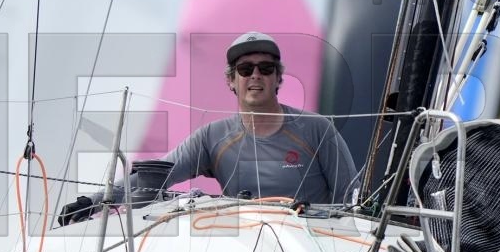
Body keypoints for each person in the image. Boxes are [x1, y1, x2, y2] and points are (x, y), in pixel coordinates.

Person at [62, 33, 357, 222]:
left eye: (266, 69)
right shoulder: (212, 137)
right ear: (231, 80)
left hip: (311, 243)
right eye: (245, 69)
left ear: (278, 78)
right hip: (247, 248)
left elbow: (351, 200)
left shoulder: (317, 129)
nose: (256, 75)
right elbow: (153, 177)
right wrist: (94, 201)